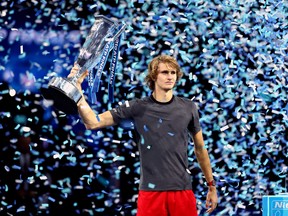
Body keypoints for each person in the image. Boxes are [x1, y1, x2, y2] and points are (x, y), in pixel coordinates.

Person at [68, 55, 218, 215]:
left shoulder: (189, 107)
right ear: (154, 76)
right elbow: (92, 122)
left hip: (182, 192)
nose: (170, 77)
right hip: (150, 194)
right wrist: (77, 92)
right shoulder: (138, 107)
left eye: (173, 73)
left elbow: (200, 148)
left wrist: (211, 185)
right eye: (165, 72)